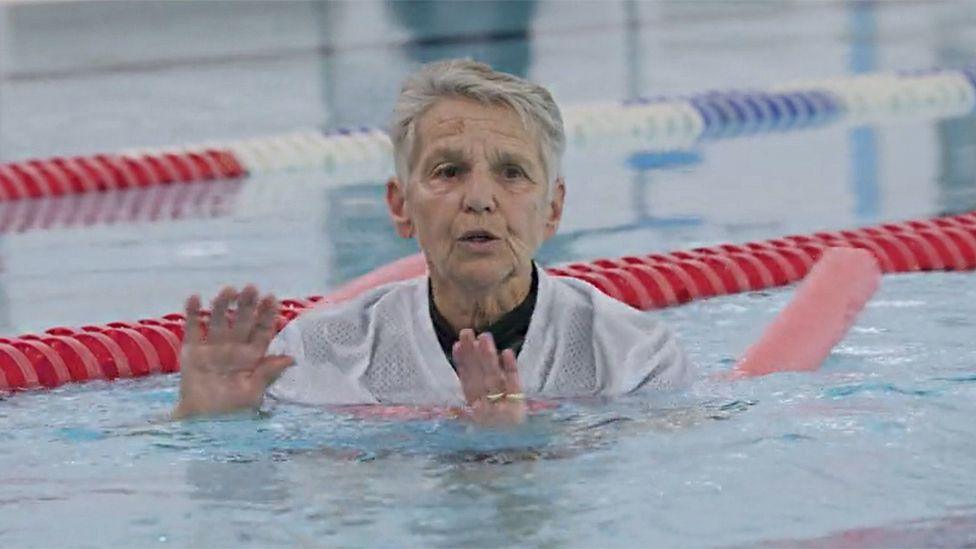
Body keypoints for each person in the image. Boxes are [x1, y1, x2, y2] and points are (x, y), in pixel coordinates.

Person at [172, 59, 692, 423]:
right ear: (401, 206)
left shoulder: (633, 357)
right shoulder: (318, 356)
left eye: (512, 173)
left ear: (552, 209)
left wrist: (515, 455)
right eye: (449, 171)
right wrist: (211, 423)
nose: (480, 199)